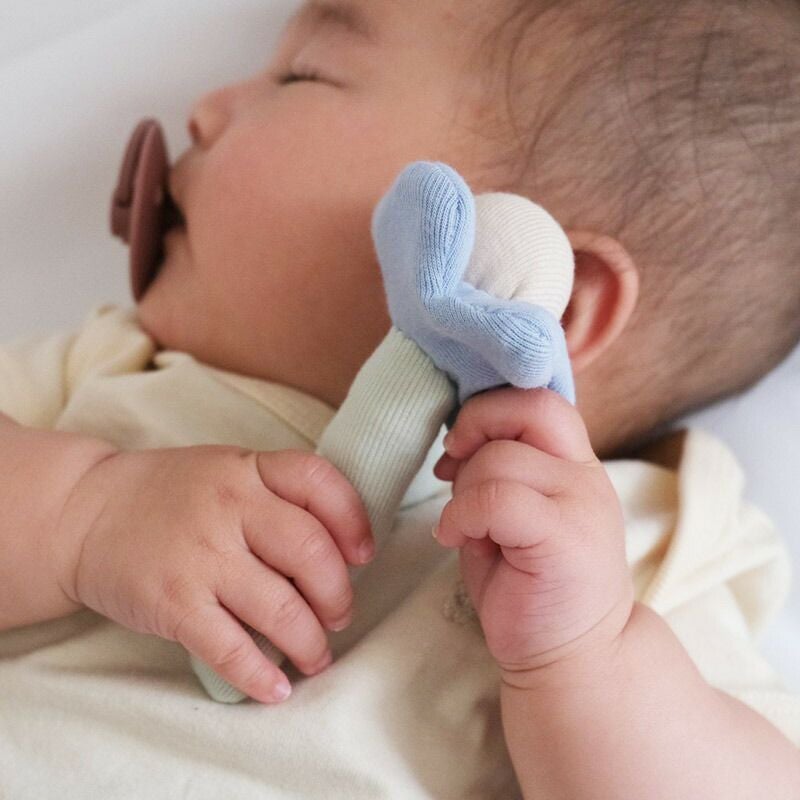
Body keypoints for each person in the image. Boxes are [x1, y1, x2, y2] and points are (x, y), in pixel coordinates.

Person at [1, 0, 798, 797]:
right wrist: (80, 514)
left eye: (302, 74)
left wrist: (587, 660)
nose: (204, 110)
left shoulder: (647, 544)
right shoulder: (114, 364)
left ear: (543, 295)